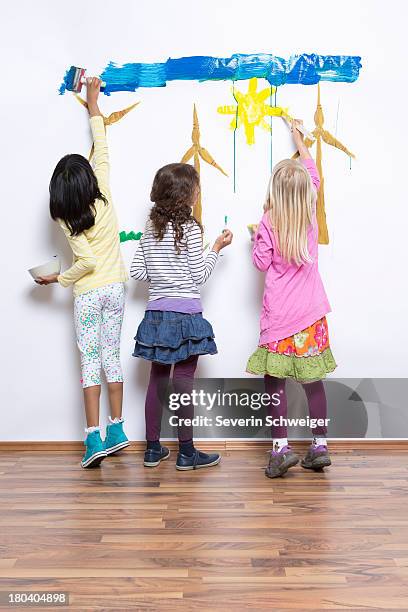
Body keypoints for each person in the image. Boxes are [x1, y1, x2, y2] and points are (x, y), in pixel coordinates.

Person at [37, 78, 129, 468]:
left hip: (89, 293)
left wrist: (57, 279)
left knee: (90, 362)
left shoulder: (66, 216)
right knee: (113, 357)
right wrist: (93, 102)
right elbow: (102, 142)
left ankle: (93, 439)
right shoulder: (103, 187)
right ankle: (118, 428)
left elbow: (85, 263)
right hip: (117, 289)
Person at [247, 120, 336, 479]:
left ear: (275, 193)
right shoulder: (311, 218)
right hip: (312, 317)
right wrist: (300, 141)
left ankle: (281, 449)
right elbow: (313, 174)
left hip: (280, 320)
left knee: (274, 385)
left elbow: (260, 263)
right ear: (306, 195)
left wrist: (256, 235)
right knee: (313, 383)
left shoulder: (270, 220)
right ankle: (319, 446)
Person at [131, 162, 232, 470]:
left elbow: (136, 271)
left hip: (157, 316)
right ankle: (186, 452)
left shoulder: (149, 230)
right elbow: (199, 275)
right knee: (183, 381)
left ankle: (152, 450)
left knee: (157, 381)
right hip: (186, 315)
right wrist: (215, 247)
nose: (199, 192)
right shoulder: (189, 230)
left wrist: (162, 275)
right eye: (196, 188)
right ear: (185, 195)